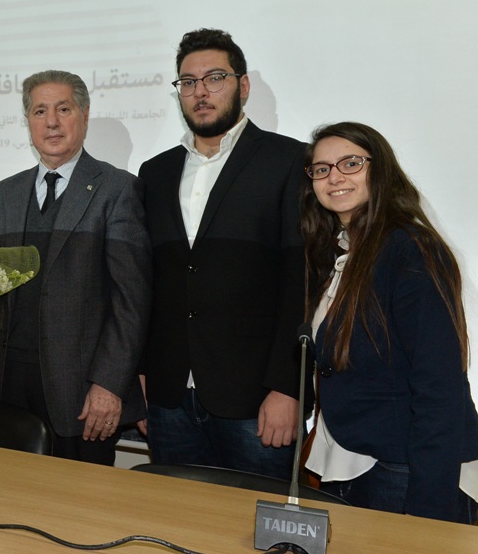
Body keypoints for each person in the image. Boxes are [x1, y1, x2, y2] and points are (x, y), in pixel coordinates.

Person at [0, 70, 151, 465]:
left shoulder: (116, 189)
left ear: (84, 115)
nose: (51, 122)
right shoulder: (2, 195)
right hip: (7, 384)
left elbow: (131, 300)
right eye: (40, 111)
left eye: (63, 109)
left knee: (80, 500)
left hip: (82, 393)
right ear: (28, 121)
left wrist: (109, 384)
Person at [137, 28, 305, 479]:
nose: (200, 92)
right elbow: (149, 283)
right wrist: (142, 373)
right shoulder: (154, 173)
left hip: (256, 401)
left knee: (257, 519)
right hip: (169, 398)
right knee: (175, 517)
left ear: (242, 86)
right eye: (188, 82)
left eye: (214, 78)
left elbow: (300, 282)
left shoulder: (289, 161)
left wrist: (289, 388)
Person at [302, 121, 478, 523]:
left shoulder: (411, 250)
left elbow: (439, 384)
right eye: (322, 169)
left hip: (406, 469)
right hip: (355, 462)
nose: (334, 177)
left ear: (380, 170)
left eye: (351, 163)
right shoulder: (339, 252)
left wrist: (429, 509)